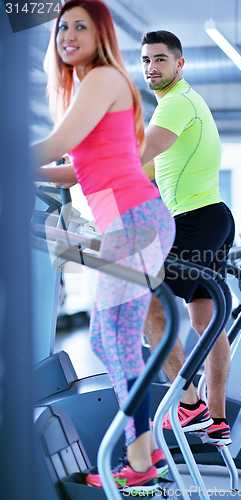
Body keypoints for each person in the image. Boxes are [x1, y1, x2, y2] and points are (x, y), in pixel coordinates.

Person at [31, 0, 176, 494]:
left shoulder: (103, 78)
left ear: (102, 34)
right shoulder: (92, 85)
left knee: (111, 340)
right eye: (62, 27)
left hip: (137, 221)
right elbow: (73, 168)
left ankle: (141, 457)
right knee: (108, 340)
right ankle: (145, 448)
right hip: (130, 223)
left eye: (80, 26)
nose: (67, 34)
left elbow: (53, 144)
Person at [140, 31, 235, 445]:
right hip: (212, 215)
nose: (151, 68)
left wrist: (83, 160)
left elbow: (136, 154)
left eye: (160, 60)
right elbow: (151, 171)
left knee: (145, 306)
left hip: (195, 220)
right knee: (205, 321)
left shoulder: (176, 103)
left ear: (179, 64)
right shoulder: (182, 102)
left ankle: (190, 403)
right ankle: (216, 419)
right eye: (145, 61)